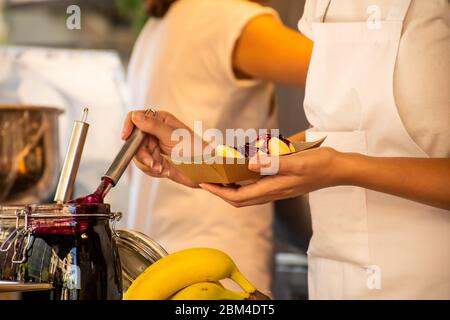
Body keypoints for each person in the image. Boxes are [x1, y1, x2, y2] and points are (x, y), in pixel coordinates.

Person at [123, 0, 450, 299]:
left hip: (427, 280)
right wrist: (212, 161)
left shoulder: (159, 28)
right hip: (326, 274)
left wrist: (337, 166)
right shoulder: (234, 18)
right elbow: (339, 119)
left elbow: (350, 109)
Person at [126, 0, 313, 293]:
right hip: (218, 259)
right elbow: (340, 75)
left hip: (158, 261)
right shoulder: (234, 22)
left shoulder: (153, 30)